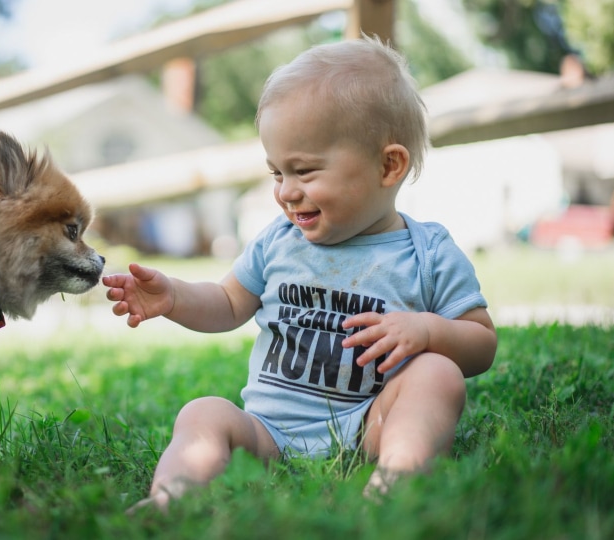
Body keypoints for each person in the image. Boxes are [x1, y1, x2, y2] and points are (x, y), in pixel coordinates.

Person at [102, 35, 497, 511]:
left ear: (388, 165)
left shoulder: (427, 251)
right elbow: (228, 304)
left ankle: (397, 478)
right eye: (276, 174)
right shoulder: (277, 241)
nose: (287, 192)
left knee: (438, 374)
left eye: (305, 172)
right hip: (267, 433)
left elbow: (481, 343)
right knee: (203, 412)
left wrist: (428, 330)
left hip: (370, 425)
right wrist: (175, 298)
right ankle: (172, 497)